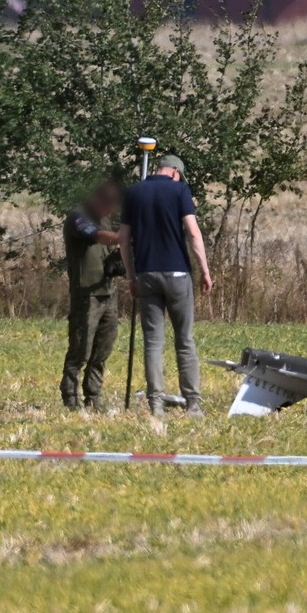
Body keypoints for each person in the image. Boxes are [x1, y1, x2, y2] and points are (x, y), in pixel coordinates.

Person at [118, 155, 213, 417]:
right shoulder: (180, 190)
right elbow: (193, 233)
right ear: (174, 173)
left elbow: (123, 240)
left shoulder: (134, 193)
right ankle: (193, 403)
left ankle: (156, 404)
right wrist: (205, 270)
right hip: (178, 275)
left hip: (146, 274)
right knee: (184, 340)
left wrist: (131, 276)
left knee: (153, 342)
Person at [60, 181, 123, 410]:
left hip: (108, 292)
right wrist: (121, 237)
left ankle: (94, 395)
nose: (111, 210)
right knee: (81, 348)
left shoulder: (104, 219)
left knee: (103, 348)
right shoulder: (78, 217)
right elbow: (96, 235)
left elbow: (108, 247)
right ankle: (70, 396)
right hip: (87, 295)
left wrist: (118, 260)